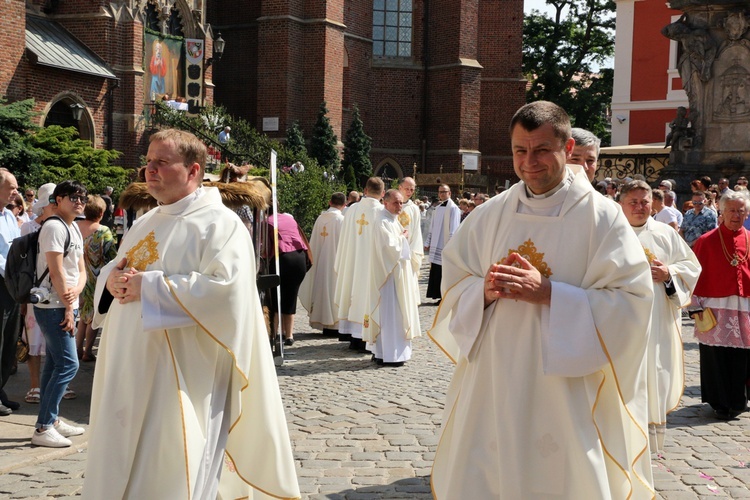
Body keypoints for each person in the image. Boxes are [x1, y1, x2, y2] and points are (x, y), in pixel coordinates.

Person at [429, 101, 655, 498]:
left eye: (541, 150)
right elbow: (455, 278)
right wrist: (480, 291)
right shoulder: (489, 214)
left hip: (564, 386)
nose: (529, 162)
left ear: (567, 150)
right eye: (520, 150)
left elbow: (632, 301)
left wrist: (550, 293)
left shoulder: (602, 218)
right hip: (494, 378)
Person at [82, 129, 299, 499]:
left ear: (194, 170)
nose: (150, 170)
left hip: (183, 373)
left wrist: (148, 288)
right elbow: (118, 271)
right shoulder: (147, 222)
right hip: (128, 367)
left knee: (174, 466)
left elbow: (227, 292)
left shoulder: (221, 225)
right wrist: (112, 281)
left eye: (162, 163)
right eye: (148, 162)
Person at [619, 180, 701, 453]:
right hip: (619, 320)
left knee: (652, 374)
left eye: (644, 202)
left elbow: (691, 266)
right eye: (633, 202)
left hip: (656, 322)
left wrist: (669, 274)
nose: (640, 207)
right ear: (621, 203)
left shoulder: (665, 234)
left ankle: (647, 442)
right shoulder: (610, 233)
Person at [31, 180, 87, 448]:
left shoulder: (73, 226)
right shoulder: (53, 226)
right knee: (69, 364)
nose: (79, 201)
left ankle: (51, 420)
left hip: (66, 303)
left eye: (83, 198)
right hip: (53, 305)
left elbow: (80, 269)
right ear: (58, 200)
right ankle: (43, 427)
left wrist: (75, 295)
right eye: (73, 197)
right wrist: (67, 306)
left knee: (54, 363)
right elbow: (56, 272)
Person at [690, 191, 750, 420]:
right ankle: (719, 401)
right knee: (716, 356)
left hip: (745, 306)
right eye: (732, 210)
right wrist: (695, 306)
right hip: (714, 307)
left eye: (741, 210)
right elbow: (693, 275)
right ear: (721, 212)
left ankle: (738, 400)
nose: (736, 215)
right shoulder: (706, 241)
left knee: (743, 357)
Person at [364, 190, 421, 367]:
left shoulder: (390, 219)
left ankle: (383, 352)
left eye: (401, 203)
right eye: (396, 203)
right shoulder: (382, 221)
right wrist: (402, 238)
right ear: (385, 202)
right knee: (391, 314)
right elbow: (390, 247)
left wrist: (401, 237)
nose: (400, 206)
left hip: (395, 275)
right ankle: (390, 354)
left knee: (393, 314)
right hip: (388, 279)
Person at [334, 177, 385, 351]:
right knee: (367, 297)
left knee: (352, 292)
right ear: (383, 193)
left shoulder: (352, 209)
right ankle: (366, 338)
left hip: (352, 262)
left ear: (365, 190)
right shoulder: (381, 211)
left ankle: (353, 336)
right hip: (370, 266)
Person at [75, 195, 118, 362]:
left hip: (79, 275)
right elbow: (112, 255)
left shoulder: (76, 227)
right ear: (101, 212)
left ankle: (77, 349)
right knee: (93, 315)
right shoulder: (103, 231)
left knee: (83, 315)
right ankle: (87, 351)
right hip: (97, 277)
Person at [298, 192, 346, 336]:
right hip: (335, 263)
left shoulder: (320, 219)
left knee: (322, 289)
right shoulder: (341, 220)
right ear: (344, 205)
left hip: (320, 263)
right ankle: (334, 325)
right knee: (333, 289)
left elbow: (313, 243)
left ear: (330, 202)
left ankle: (323, 323)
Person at [265, 206, 309, 346]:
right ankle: (289, 335)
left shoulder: (267, 222)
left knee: (275, 298)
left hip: (282, 258)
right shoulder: (289, 219)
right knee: (290, 297)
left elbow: (266, 249)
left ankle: (274, 334)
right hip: (299, 258)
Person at [0, 168, 21, 416]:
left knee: (9, 340)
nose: (15, 191)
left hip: (12, 285)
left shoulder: (8, 215)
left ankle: (1, 390)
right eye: (11, 187)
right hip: (2, 282)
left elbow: (15, 249)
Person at [424, 184, 460, 301]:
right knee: (436, 270)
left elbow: (454, 228)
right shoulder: (437, 208)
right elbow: (432, 226)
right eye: (440, 192)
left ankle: (444, 296)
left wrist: (450, 245)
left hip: (445, 244)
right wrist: (428, 241)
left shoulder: (453, 208)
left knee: (443, 271)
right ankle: (436, 294)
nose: (442, 194)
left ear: (449, 193)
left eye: (444, 192)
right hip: (435, 244)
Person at [397, 177, 423, 306]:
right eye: (407, 188)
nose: (409, 191)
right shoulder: (391, 204)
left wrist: (412, 252)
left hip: (409, 252)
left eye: (412, 189)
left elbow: (417, 232)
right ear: (399, 187)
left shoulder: (414, 208)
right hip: (394, 251)